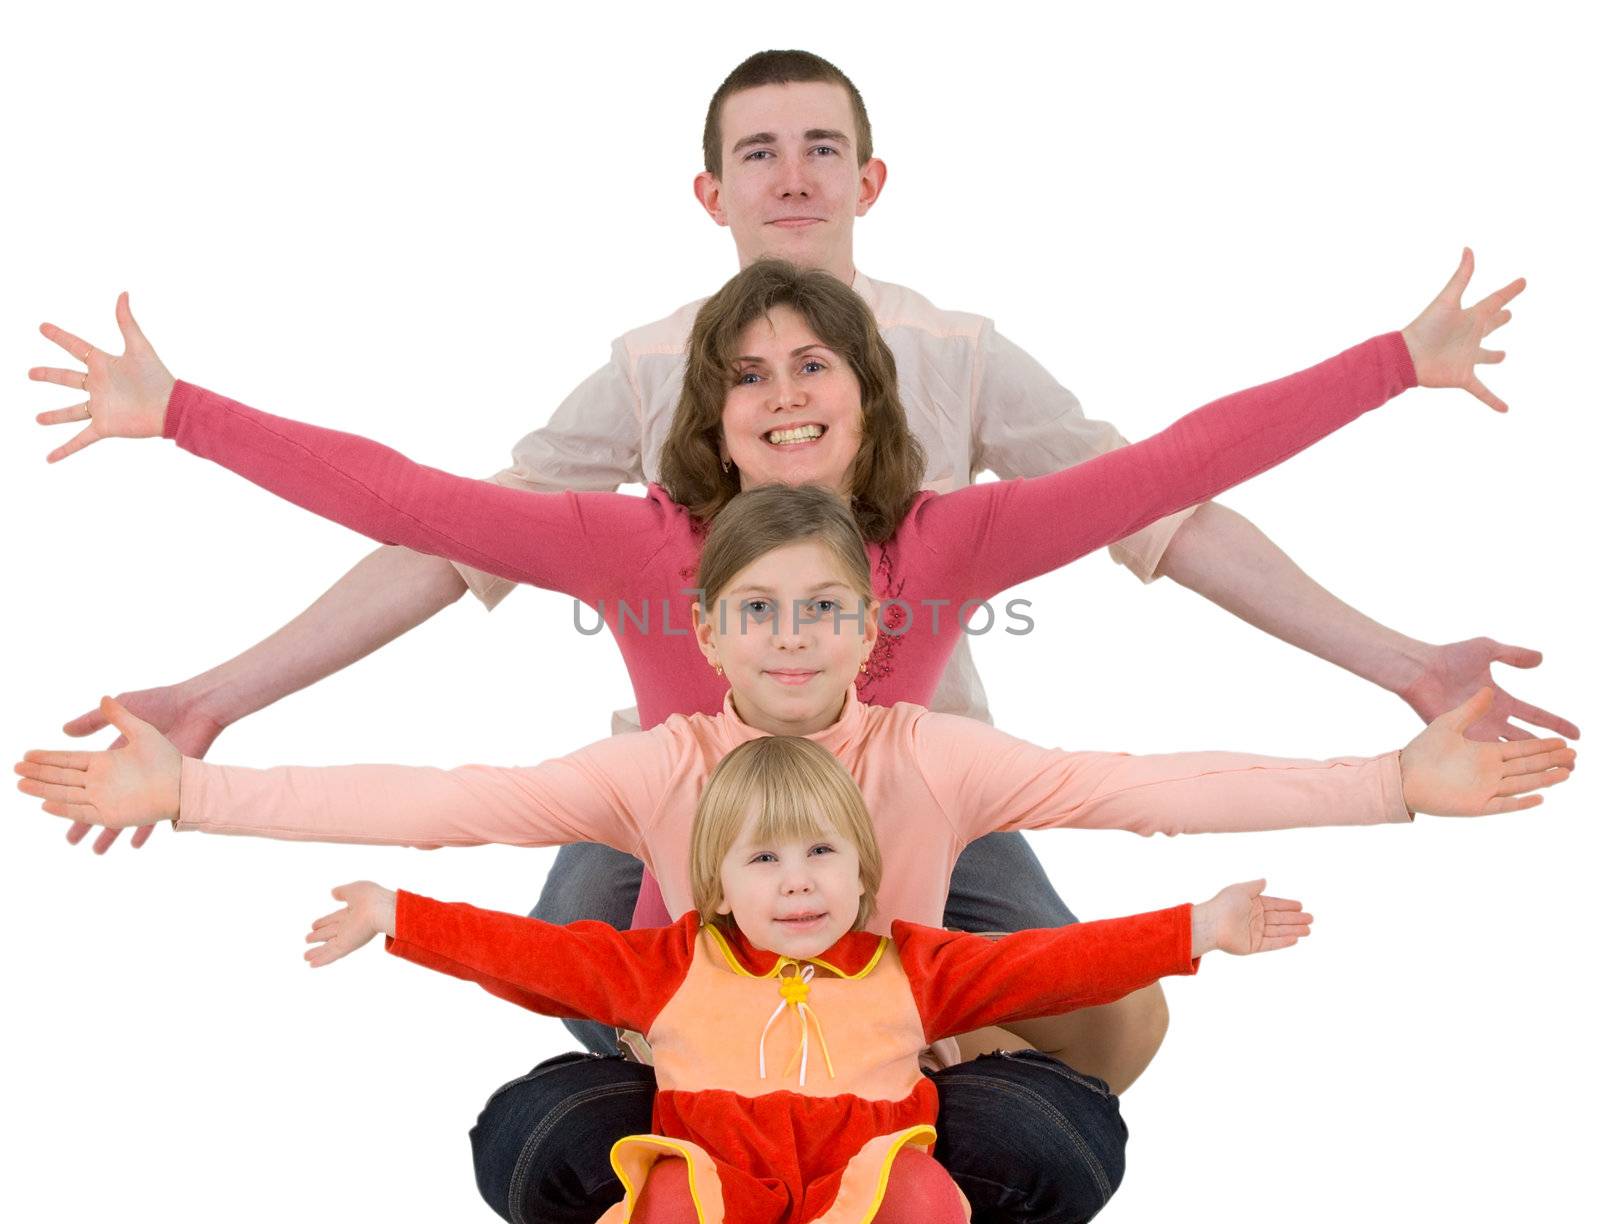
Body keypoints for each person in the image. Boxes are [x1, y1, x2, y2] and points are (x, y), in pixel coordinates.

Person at [31, 50, 1572, 1099]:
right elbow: (420, 517)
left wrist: (1393, 380)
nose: (782, 390)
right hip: (680, 836)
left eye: (817, 365)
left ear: (873, 382)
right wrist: (183, 445)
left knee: (1106, 1020)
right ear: (697, 402)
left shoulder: (956, 489)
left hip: (923, 826)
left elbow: (1168, 483)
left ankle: (893, 1068)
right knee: (601, 1005)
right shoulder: (628, 500)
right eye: (750, 373)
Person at [15, 486, 1572, 1224]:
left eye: (821, 608)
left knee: (1044, 1149)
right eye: (755, 610)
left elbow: (1150, 784)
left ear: (869, 629)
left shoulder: (935, 755)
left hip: (896, 1085)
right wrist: (190, 794)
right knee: (538, 1141)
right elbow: (446, 802)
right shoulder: (659, 769)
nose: (789, 636)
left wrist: (1394, 783)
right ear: (704, 632)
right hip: (708, 1087)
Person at [299, 735, 1311, 1224]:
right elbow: (532, 957)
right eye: (765, 862)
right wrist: (400, 918)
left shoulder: (909, 966)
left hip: (861, 1182)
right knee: (660, 1200)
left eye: (821, 855)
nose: (795, 885)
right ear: (717, 884)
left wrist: (1201, 928)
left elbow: (1052, 964)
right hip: (715, 1178)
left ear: (861, 871)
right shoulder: (666, 963)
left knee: (923, 1196)